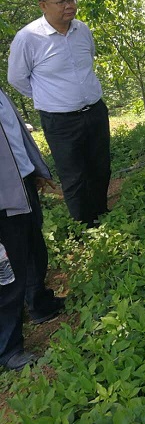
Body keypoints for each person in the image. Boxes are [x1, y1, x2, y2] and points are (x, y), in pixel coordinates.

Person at [8, 0, 111, 227]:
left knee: (100, 166)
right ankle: (84, 225)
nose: (69, 6)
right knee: (73, 175)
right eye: (61, 2)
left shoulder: (82, 30)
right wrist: (50, 97)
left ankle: (102, 212)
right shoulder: (28, 38)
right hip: (60, 120)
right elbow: (17, 79)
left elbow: (88, 61)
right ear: (43, 5)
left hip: (94, 111)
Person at [0, 86, 65, 371]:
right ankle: (8, 347)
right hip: (2, 198)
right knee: (7, 271)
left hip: (19, 183)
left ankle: (39, 303)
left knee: (33, 247)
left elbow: (15, 136)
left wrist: (33, 169)